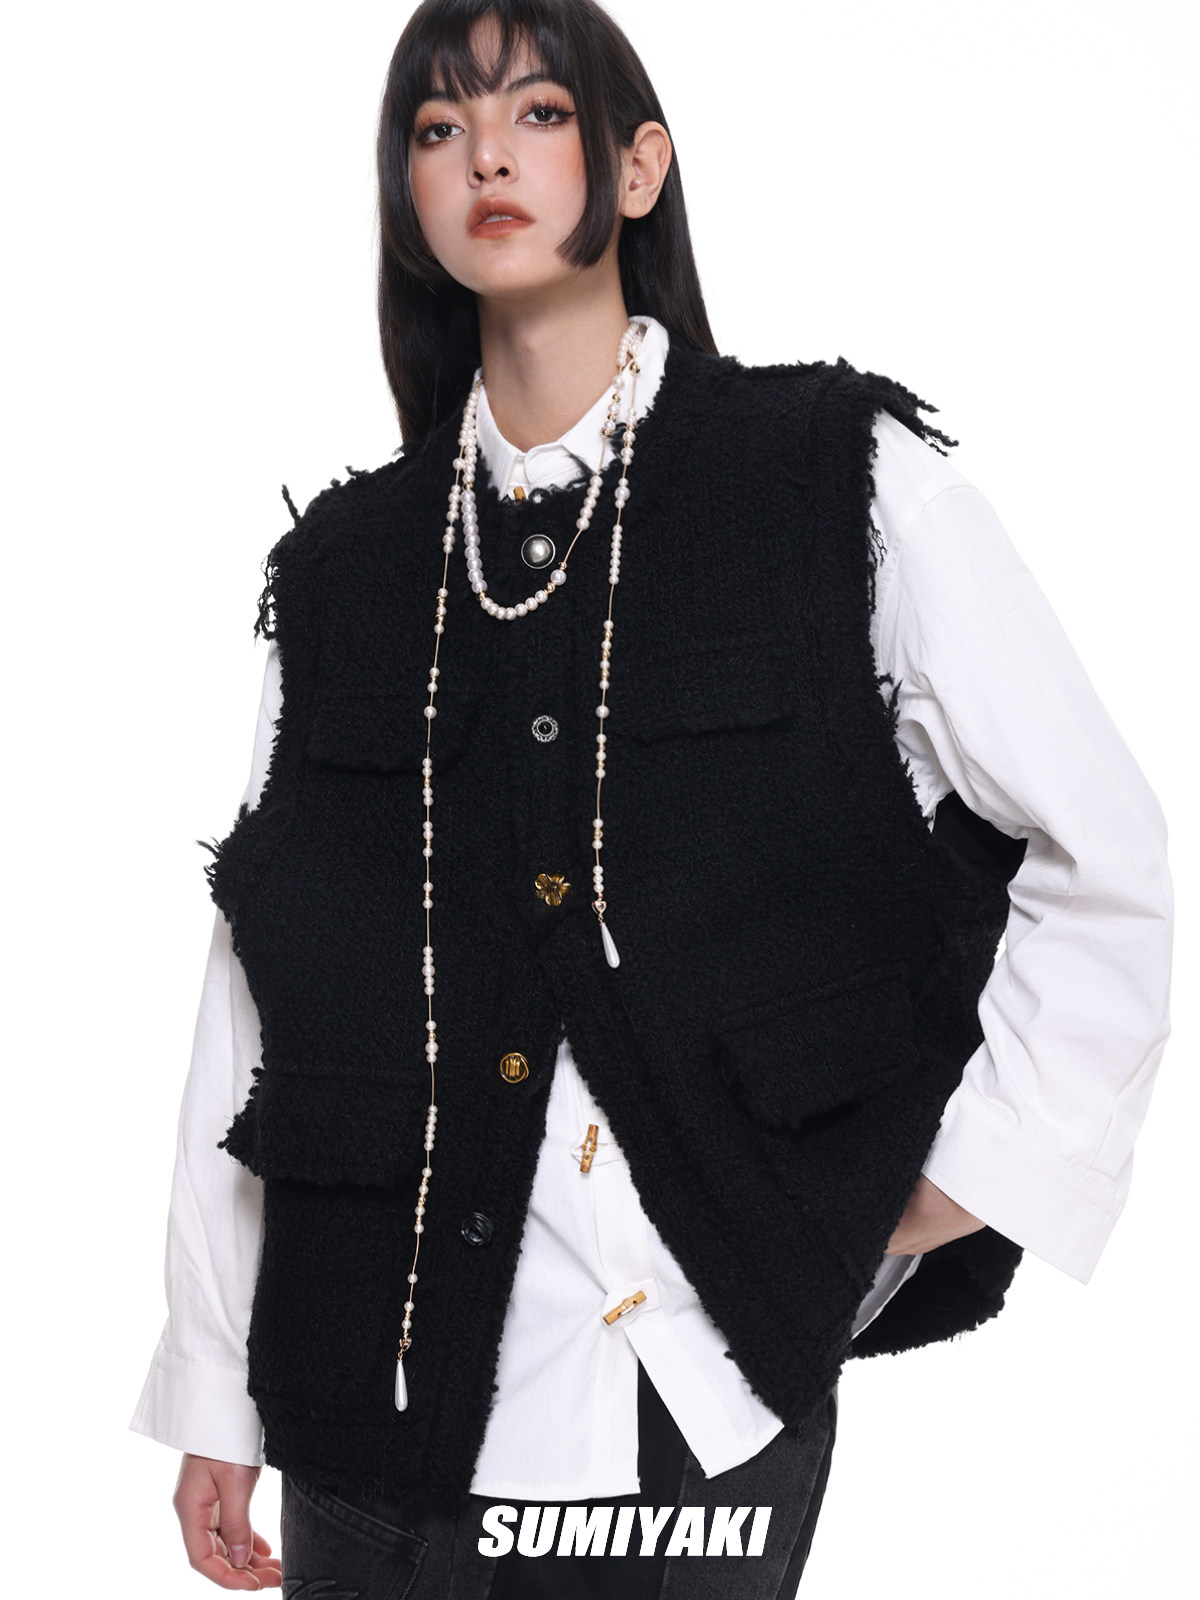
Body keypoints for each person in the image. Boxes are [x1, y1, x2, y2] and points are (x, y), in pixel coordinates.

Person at [129, 0, 1173, 1593]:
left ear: (636, 168)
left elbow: (1100, 847)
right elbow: (263, 979)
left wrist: (979, 1175)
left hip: (700, 1393)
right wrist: (213, 1379)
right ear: (407, 200)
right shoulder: (345, 573)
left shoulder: (831, 479)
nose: (486, 153)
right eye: (438, 128)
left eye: (537, 113)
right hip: (372, 1396)